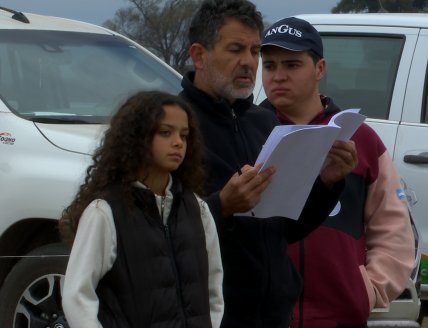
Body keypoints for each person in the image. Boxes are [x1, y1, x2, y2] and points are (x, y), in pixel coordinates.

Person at [179, 1, 358, 327]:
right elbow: (157, 231)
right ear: (199, 55)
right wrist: (222, 207)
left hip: (274, 314)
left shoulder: (264, 122)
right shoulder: (174, 125)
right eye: (235, 49)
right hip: (210, 315)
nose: (247, 62)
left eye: (254, 50)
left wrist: (327, 185)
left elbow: (284, 228)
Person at [259, 16, 416, 328]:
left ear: (320, 69)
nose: (278, 76)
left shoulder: (360, 138)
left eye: (292, 65)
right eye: (270, 65)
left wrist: (367, 289)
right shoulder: (249, 133)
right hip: (263, 317)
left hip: (341, 316)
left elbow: (393, 228)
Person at [59, 90, 224, 327]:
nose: (178, 142)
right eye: (165, 133)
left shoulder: (198, 210)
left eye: (184, 135)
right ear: (138, 137)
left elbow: (213, 286)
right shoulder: (105, 212)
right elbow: (78, 295)